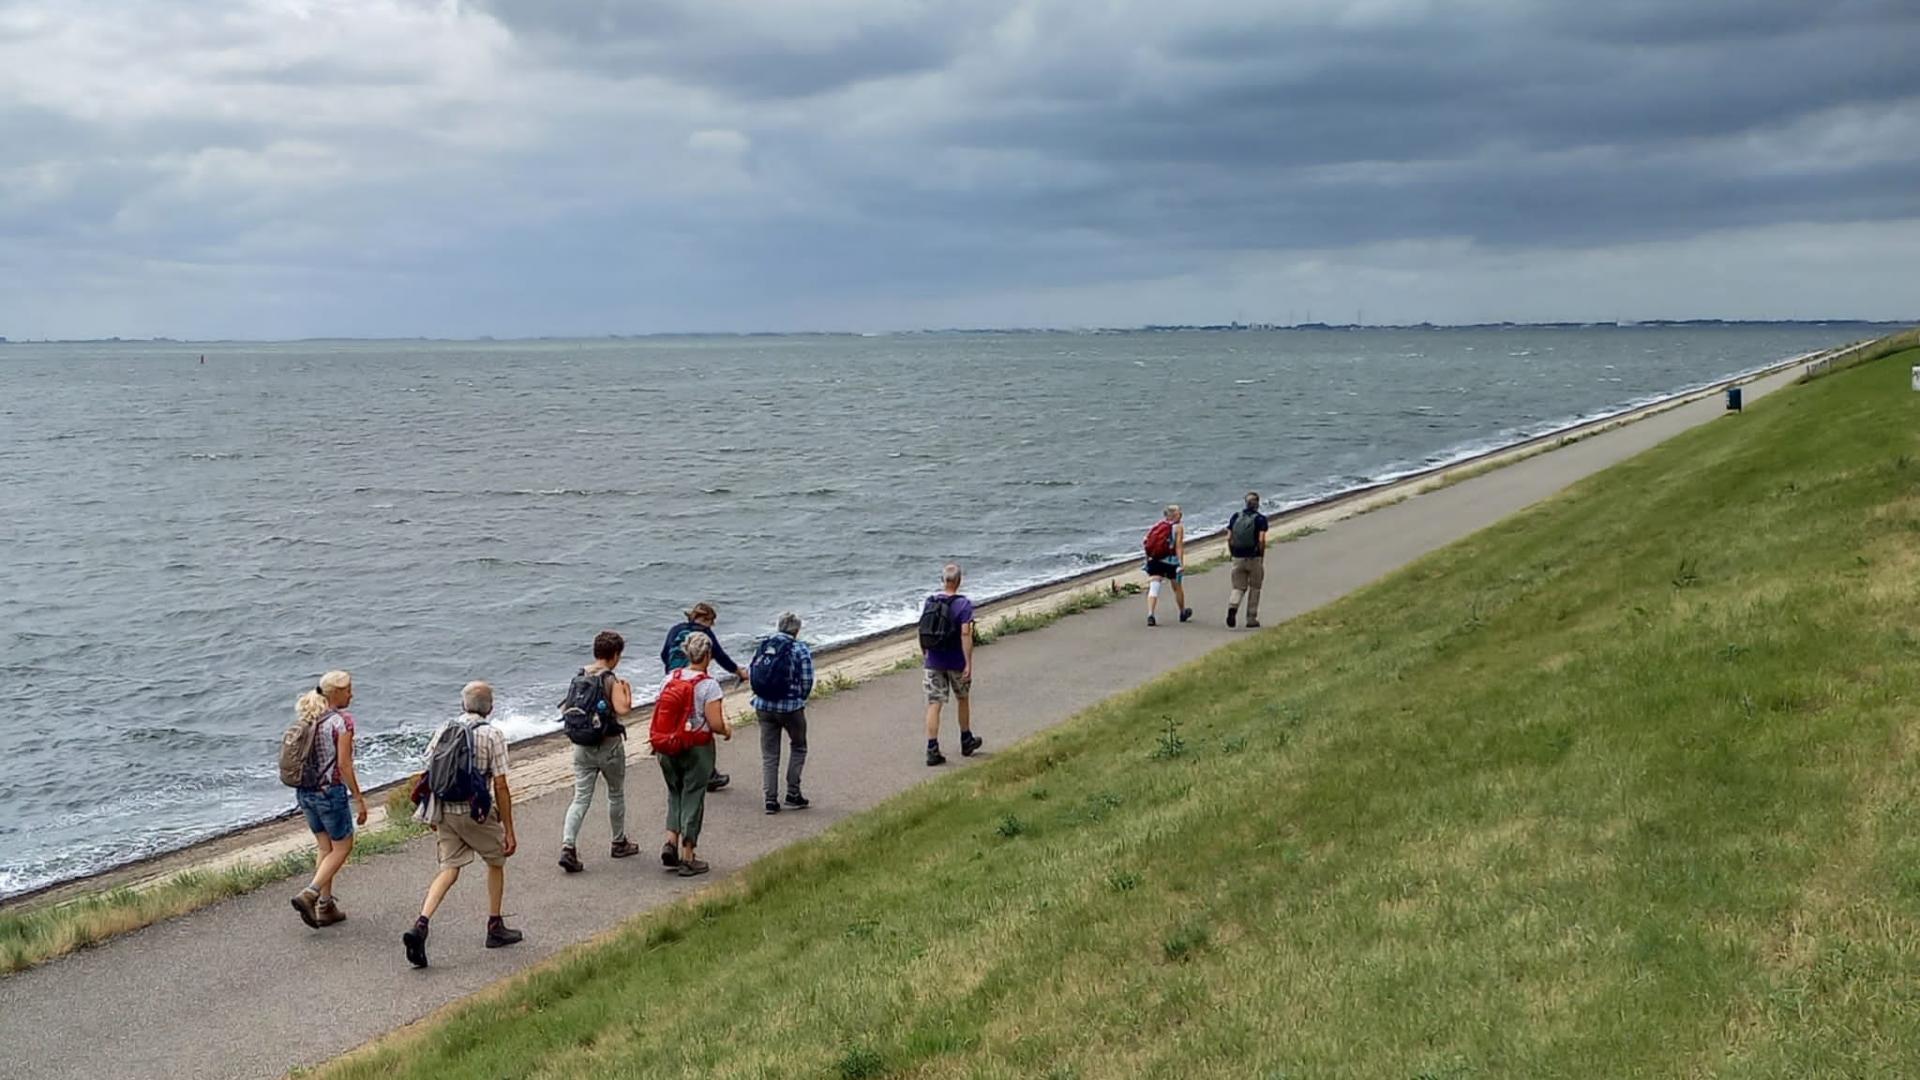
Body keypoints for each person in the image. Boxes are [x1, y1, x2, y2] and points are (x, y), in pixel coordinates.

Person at [402, 681, 521, 967]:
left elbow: (430, 769)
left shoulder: (445, 729)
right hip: (476, 811)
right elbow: (501, 785)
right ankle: (494, 926)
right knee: (496, 863)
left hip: (445, 810)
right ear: (490, 707)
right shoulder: (493, 735)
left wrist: (429, 812)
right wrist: (509, 829)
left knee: (449, 869)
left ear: (462, 704)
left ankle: (421, 923)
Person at [289, 670, 367, 929]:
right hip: (329, 793)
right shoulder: (342, 722)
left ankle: (326, 906)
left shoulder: (310, 716)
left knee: (325, 848)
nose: (352, 694)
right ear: (336, 693)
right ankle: (310, 893)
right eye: (348, 690)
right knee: (343, 847)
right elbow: (344, 765)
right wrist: (358, 797)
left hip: (306, 792)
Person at [558, 630, 640, 874]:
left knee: (581, 797)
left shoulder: (580, 676)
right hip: (608, 746)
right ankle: (618, 841)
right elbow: (623, 709)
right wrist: (627, 690)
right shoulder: (610, 679)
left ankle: (568, 845)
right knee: (615, 794)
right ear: (615, 655)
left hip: (581, 746)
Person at [652, 632, 732, 876]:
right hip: (696, 747)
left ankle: (670, 841)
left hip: (666, 745)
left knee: (674, 792)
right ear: (707, 656)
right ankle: (688, 854)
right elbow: (714, 722)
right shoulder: (709, 685)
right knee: (693, 795)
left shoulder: (669, 679)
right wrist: (727, 729)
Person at [660, 602, 743, 792]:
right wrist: (738, 671)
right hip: (694, 682)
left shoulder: (675, 630)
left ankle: (677, 766)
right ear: (706, 619)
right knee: (699, 724)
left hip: (672, 682)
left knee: (675, 722)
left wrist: (672, 672)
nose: (710, 627)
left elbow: (664, 654)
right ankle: (709, 774)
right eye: (711, 622)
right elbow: (721, 656)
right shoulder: (704, 634)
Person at [749, 611, 814, 815]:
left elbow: (753, 671)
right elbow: (806, 680)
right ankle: (793, 793)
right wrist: (800, 698)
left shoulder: (764, 645)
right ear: (797, 630)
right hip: (790, 707)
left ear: (778, 626)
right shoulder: (799, 649)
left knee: (770, 754)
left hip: (763, 705)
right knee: (798, 746)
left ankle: (770, 799)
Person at [920, 563, 982, 767]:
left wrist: (925, 651)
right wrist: (968, 663)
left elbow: (923, 628)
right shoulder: (963, 605)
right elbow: (966, 634)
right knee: (962, 698)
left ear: (942, 580)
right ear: (959, 581)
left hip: (933, 660)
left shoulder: (930, 601)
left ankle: (932, 748)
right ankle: (966, 739)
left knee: (934, 703)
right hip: (955, 660)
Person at [1143, 504, 1193, 627]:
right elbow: (1178, 546)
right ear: (1175, 515)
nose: (1181, 514)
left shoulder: (1158, 526)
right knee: (1177, 588)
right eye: (1179, 513)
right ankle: (1182, 612)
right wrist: (1181, 564)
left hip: (1155, 560)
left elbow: (1146, 543)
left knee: (1154, 587)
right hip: (1171, 562)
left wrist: (1148, 560)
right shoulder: (1178, 527)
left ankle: (1151, 614)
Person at [1226, 491, 1270, 629]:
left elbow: (1229, 537)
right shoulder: (1260, 519)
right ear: (1257, 503)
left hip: (1237, 557)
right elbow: (1261, 539)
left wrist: (1232, 552)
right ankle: (1251, 618)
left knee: (1238, 587)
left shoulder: (1235, 516)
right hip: (1254, 557)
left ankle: (1232, 608)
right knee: (1255, 587)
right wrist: (1261, 554)